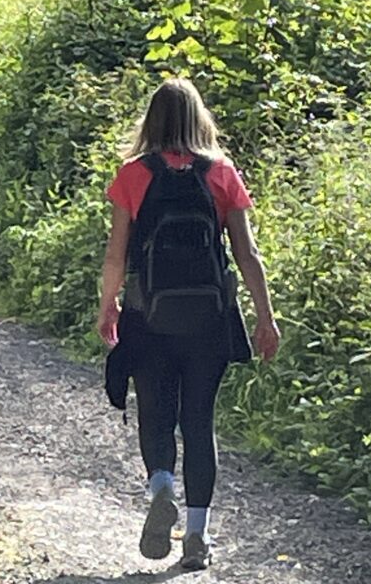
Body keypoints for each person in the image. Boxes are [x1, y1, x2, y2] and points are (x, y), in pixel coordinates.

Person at [97, 77, 280, 571]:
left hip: (147, 315)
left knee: (155, 412)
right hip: (210, 320)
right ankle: (196, 538)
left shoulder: (133, 174)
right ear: (200, 118)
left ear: (151, 121)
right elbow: (247, 254)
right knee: (199, 423)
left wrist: (108, 305)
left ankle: (162, 488)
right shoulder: (220, 173)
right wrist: (266, 318)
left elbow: (117, 254)